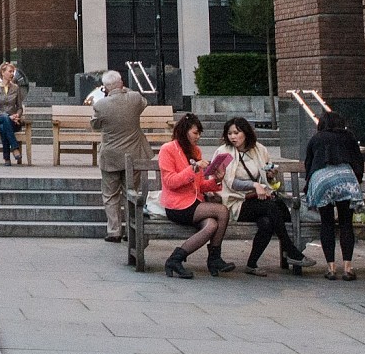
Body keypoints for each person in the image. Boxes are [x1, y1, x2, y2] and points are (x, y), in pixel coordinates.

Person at [219, 117, 305, 275]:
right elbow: (230, 182)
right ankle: (291, 250)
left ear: (246, 133)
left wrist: (270, 175)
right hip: (236, 201)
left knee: (267, 223)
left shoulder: (259, 150)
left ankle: (252, 264)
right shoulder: (224, 152)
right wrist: (254, 185)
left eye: (236, 133)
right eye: (230, 133)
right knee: (271, 207)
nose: (233, 137)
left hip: (259, 200)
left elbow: (266, 178)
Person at [155, 113, 233, 277]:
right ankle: (215, 259)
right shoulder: (168, 149)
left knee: (211, 225)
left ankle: (175, 259)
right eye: (195, 133)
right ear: (185, 132)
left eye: (199, 133)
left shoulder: (195, 151)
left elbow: (200, 186)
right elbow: (170, 182)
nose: (198, 137)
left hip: (195, 203)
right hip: (177, 206)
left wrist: (217, 180)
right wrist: (193, 168)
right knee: (222, 211)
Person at [301, 107, 365, 280]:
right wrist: (356, 181)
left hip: (322, 179)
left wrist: (311, 185)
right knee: (346, 223)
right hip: (346, 179)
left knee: (327, 223)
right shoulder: (348, 137)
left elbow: (309, 164)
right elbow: (358, 161)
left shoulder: (316, 138)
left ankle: (331, 268)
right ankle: (348, 268)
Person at [88, 70, 149, 244]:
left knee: (110, 194)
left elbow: (95, 125)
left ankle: (114, 230)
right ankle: (131, 230)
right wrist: (125, 89)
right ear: (121, 83)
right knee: (131, 192)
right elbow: (144, 103)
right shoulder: (135, 98)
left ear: (105, 87)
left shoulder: (101, 105)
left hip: (111, 155)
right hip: (133, 153)